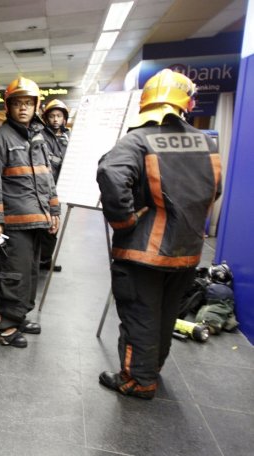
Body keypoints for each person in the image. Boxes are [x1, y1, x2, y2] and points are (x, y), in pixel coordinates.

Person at [96, 69, 221, 400]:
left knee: (140, 314)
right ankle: (152, 368)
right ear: (185, 104)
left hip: (144, 251)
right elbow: (214, 189)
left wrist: (125, 222)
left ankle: (137, 380)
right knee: (166, 315)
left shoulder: (138, 140)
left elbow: (110, 173)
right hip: (187, 250)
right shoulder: (205, 142)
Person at [0, 76, 60, 348]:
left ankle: (20, 314)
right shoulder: (0, 139)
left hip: (36, 220)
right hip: (12, 224)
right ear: (8, 107)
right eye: (18, 103)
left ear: (36, 106)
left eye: (28, 103)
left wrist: (54, 209)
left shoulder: (38, 138)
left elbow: (47, 177)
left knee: (30, 274)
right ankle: (4, 324)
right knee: (13, 275)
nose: (23, 108)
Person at [40, 99, 71, 272]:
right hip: (43, 187)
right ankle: (40, 258)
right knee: (44, 223)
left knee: (54, 224)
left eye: (59, 116)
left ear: (64, 118)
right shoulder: (41, 136)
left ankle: (45, 259)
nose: (55, 120)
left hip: (59, 188)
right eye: (52, 116)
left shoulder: (68, 136)